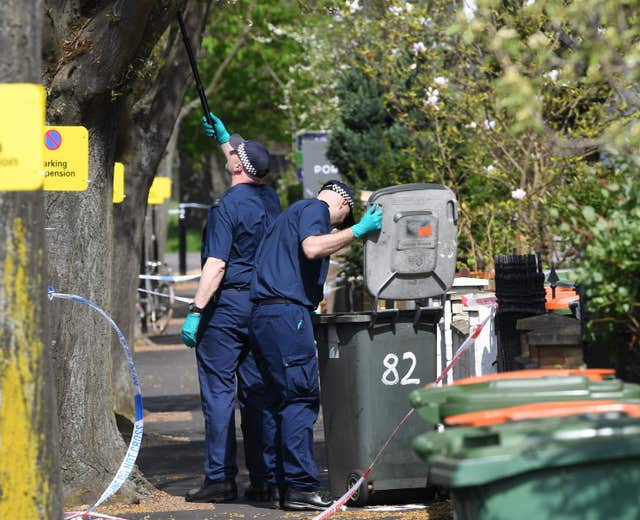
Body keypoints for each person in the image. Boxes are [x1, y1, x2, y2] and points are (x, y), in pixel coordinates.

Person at [249, 180, 383, 511]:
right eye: (344, 219)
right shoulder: (315, 209)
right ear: (341, 204)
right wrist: (358, 231)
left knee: (274, 400)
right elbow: (312, 247)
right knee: (299, 398)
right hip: (285, 315)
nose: (339, 226)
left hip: (264, 316)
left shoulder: (288, 215)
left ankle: (275, 482)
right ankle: (300, 487)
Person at [181, 112, 281, 504]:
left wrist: (195, 309)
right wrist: (226, 138)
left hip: (225, 309)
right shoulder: (269, 199)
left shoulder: (225, 208)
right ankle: (265, 479)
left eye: (233, 153)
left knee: (219, 395)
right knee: (257, 395)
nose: (230, 153)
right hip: (261, 306)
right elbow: (246, 167)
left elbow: (216, 265)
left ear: (238, 166)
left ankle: (220, 478)